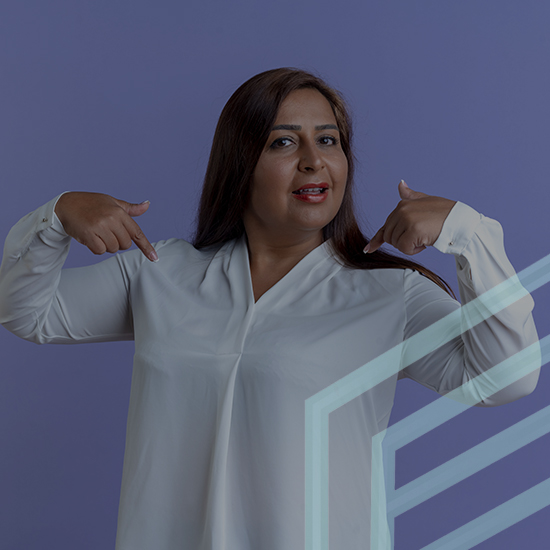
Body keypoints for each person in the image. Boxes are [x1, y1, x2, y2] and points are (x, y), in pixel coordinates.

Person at [0, 68, 540, 549]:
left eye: (328, 140)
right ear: (241, 163)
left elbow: (507, 379)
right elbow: (27, 312)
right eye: (283, 142)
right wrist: (56, 218)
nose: (313, 160)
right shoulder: (159, 272)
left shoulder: (388, 294)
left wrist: (469, 235)